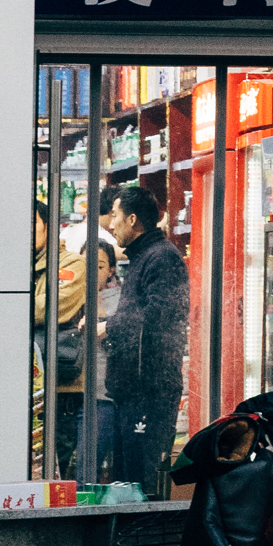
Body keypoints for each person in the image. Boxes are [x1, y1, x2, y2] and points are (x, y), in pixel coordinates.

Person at [102, 185, 189, 495]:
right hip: (132, 389)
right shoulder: (144, 257)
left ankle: (147, 541)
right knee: (126, 481)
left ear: (133, 219)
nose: (110, 224)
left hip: (149, 389)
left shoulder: (163, 258)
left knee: (143, 482)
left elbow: (157, 317)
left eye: (115, 216)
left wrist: (108, 326)